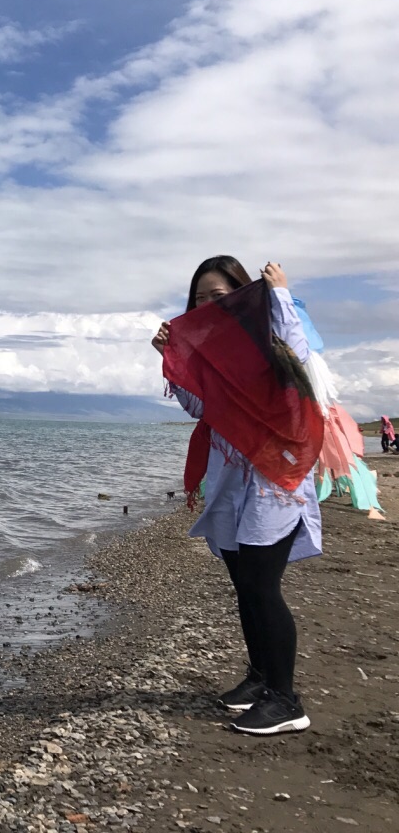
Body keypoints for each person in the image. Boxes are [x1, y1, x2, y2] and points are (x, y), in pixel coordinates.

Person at [152, 256, 322, 736]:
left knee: (264, 586)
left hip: (274, 479)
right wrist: (170, 359)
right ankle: (261, 678)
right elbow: (199, 408)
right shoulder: (211, 357)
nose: (208, 305)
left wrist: (281, 295)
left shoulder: (270, 341)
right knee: (245, 584)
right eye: (200, 299)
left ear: (245, 295)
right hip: (230, 478)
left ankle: (286, 701)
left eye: (220, 296)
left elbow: (299, 355)